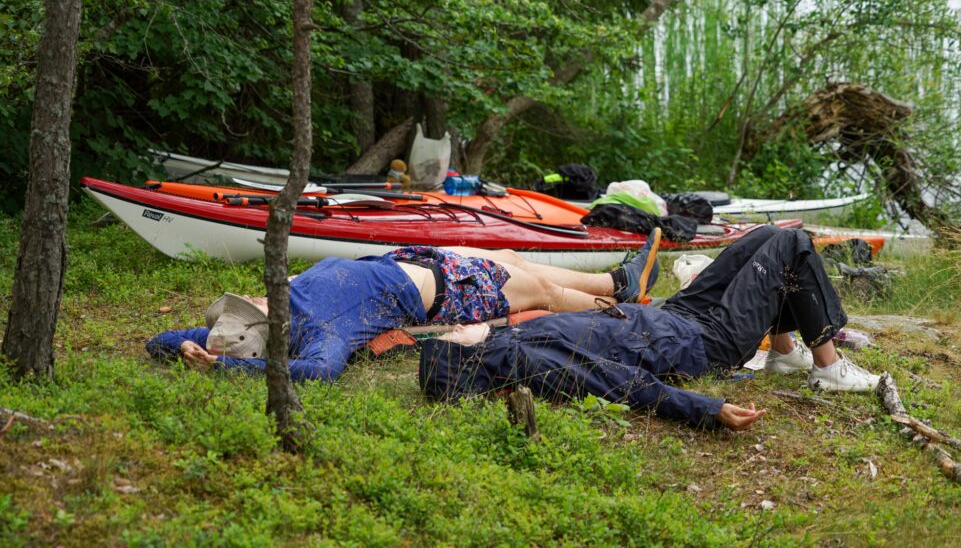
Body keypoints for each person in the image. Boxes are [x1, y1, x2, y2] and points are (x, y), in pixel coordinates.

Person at [419, 225, 881, 432]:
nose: (454, 327)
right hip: (700, 342)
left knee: (764, 236)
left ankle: (782, 351)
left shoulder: (511, 337)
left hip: (674, 315)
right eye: (450, 337)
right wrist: (706, 408)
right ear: (463, 357)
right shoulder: (531, 362)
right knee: (792, 244)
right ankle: (828, 366)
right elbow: (622, 383)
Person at [145, 232, 662, 381]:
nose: (254, 297)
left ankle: (618, 280)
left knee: (506, 256)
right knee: (536, 292)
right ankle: (620, 299)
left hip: (407, 260)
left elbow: (159, 341)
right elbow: (320, 373)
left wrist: (192, 347)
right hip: (447, 291)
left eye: (249, 300)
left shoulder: (279, 302)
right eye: (251, 304)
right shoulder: (321, 335)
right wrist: (232, 369)